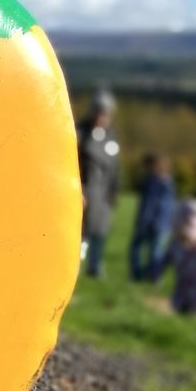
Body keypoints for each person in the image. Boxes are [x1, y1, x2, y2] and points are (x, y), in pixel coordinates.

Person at [77, 89, 120, 276]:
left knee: (100, 230)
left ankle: (95, 265)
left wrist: (113, 192)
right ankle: (75, 266)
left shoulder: (111, 137)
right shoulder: (81, 133)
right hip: (85, 192)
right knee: (81, 231)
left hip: (103, 196)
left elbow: (115, 168)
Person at [130, 152, 175, 281]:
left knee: (137, 247)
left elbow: (149, 204)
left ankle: (138, 274)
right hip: (165, 223)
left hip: (151, 222)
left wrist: (142, 223)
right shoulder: (169, 182)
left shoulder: (152, 183)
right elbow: (170, 205)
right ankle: (155, 276)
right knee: (157, 251)